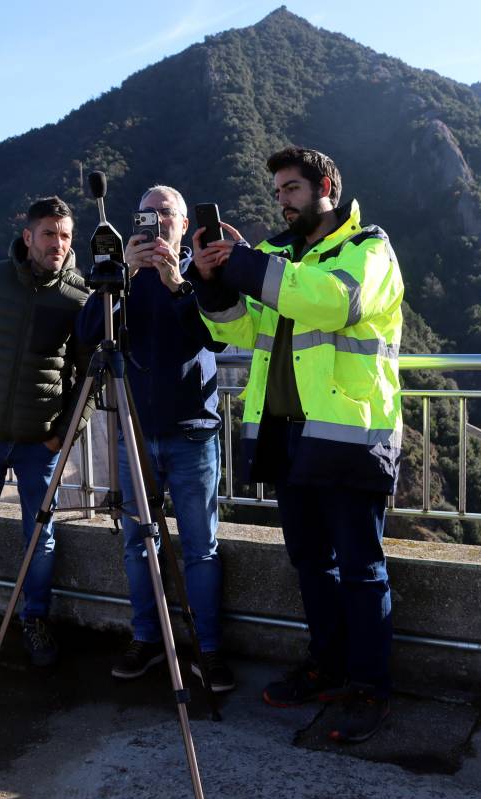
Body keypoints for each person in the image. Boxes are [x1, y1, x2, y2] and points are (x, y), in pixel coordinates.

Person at [192, 147, 404, 742]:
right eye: (278, 192)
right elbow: (239, 329)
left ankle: (369, 687)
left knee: (361, 569)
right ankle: (327, 666)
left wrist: (246, 264)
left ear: (325, 186)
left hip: (349, 435)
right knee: (311, 563)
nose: (282, 201)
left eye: (292, 189)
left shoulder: (369, 249)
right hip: (287, 434)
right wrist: (212, 281)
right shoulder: (279, 257)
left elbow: (335, 302)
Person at [77, 185, 234, 693]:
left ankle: (209, 650)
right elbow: (88, 332)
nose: (156, 221)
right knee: (136, 545)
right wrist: (119, 276)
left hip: (192, 433)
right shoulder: (126, 277)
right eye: (146, 214)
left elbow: (217, 336)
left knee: (200, 548)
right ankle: (146, 638)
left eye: (165, 213)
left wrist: (177, 284)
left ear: (184, 223)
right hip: (136, 434)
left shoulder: (202, 274)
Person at [0, 196, 90, 671]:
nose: (58, 244)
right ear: (28, 237)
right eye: (49, 234)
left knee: (40, 538)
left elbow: (88, 377)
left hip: (39, 443)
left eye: (65, 236)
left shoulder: (78, 297)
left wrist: (62, 435)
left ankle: (35, 619)